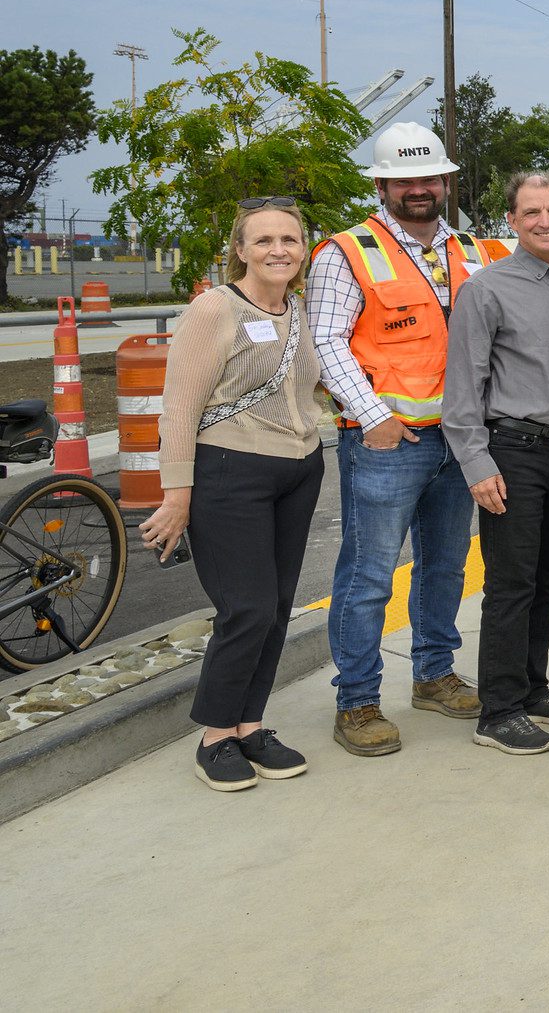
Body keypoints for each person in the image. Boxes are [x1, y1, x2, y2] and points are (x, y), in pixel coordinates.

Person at [307, 121, 488, 757]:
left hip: (458, 441)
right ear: (382, 184)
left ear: (444, 182)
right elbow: (326, 340)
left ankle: (434, 674)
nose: (419, 189)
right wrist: (373, 416)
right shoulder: (344, 252)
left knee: (444, 566)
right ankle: (356, 702)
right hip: (388, 443)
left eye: (428, 177)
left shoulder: (469, 248)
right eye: (404, 179)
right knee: (369, 576)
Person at [144, 197, 323, 791]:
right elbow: (180, 406)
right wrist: (177, 494)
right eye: (264, 241)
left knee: (275, 609)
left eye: (290, 240)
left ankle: (250, 724)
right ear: (240, 250)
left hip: (298, 470)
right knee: (244, 608)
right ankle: (214, 736)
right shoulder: (213, 309)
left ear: (304, 249)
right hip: (229, 471)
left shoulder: (298, 309)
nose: (279, 251)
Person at [444, 172, 549, 755]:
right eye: (531, 212)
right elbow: (464, 385)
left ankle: (533, 687)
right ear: (511, 221)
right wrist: (475, 461)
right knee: (510, 584)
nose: (545, 221)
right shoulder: (486, 289)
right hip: (511, 452)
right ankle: (498, 709)